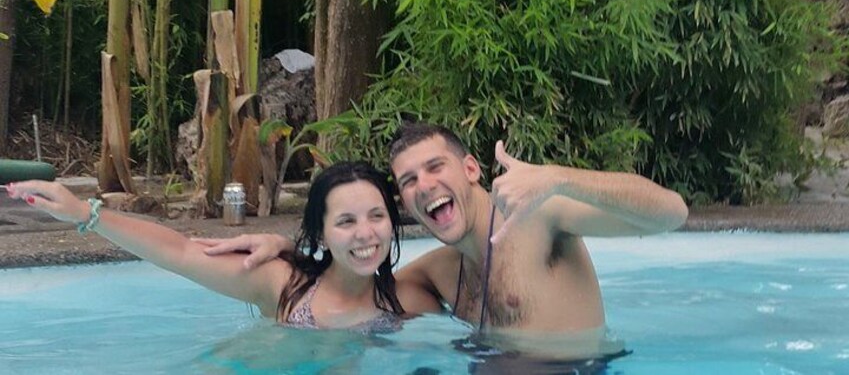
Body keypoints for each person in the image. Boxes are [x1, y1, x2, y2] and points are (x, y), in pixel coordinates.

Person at [199, 123, 688, 358]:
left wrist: (560, 178)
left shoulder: (540, 216)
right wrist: (292, 253)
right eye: (409, 180)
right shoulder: (439, 270)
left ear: (471, 169)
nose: (424, 185)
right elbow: (353, 284)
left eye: (436, 167)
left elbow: (671, 212)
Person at [4, 161, 440, 333]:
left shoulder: (412, 301)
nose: (366, 234)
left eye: (376, 216)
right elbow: (182, 252)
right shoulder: (284, 285)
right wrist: (85, 213)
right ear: (322, 232)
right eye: (346, 221)